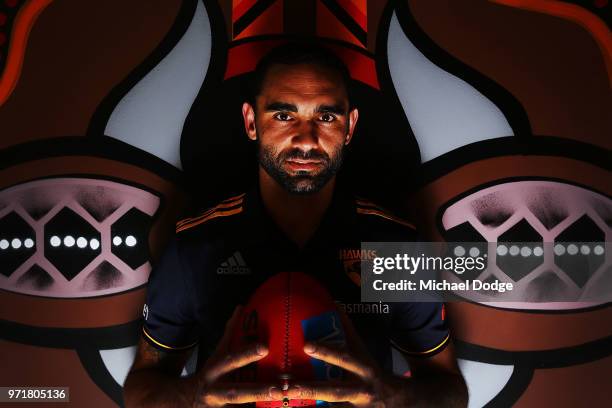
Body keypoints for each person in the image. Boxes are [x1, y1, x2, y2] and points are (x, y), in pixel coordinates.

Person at [124, 43, 468, 407]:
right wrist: (190, 394)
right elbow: (141, 387)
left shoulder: (393, 245)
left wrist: (392, 393)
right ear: (251, 122)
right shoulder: (198, 246)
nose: (306, 139)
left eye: (327, 117)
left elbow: (450, 390)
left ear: (350, 127)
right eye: (284, 117)